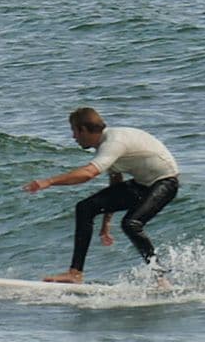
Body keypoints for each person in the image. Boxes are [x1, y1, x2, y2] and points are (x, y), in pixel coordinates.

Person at [23, 106, 181, 284]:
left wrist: (49, 182)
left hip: (165, 182)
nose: (73, 137)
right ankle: (75, 274)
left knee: (131, 224)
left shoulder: (113, 143)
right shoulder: (105, 145)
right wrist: (106, 224)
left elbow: (88, 173)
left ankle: (160, 277)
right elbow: (115, 184)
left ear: (83, 129)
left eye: (74, 131)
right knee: (85, 208)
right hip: (143, 184)